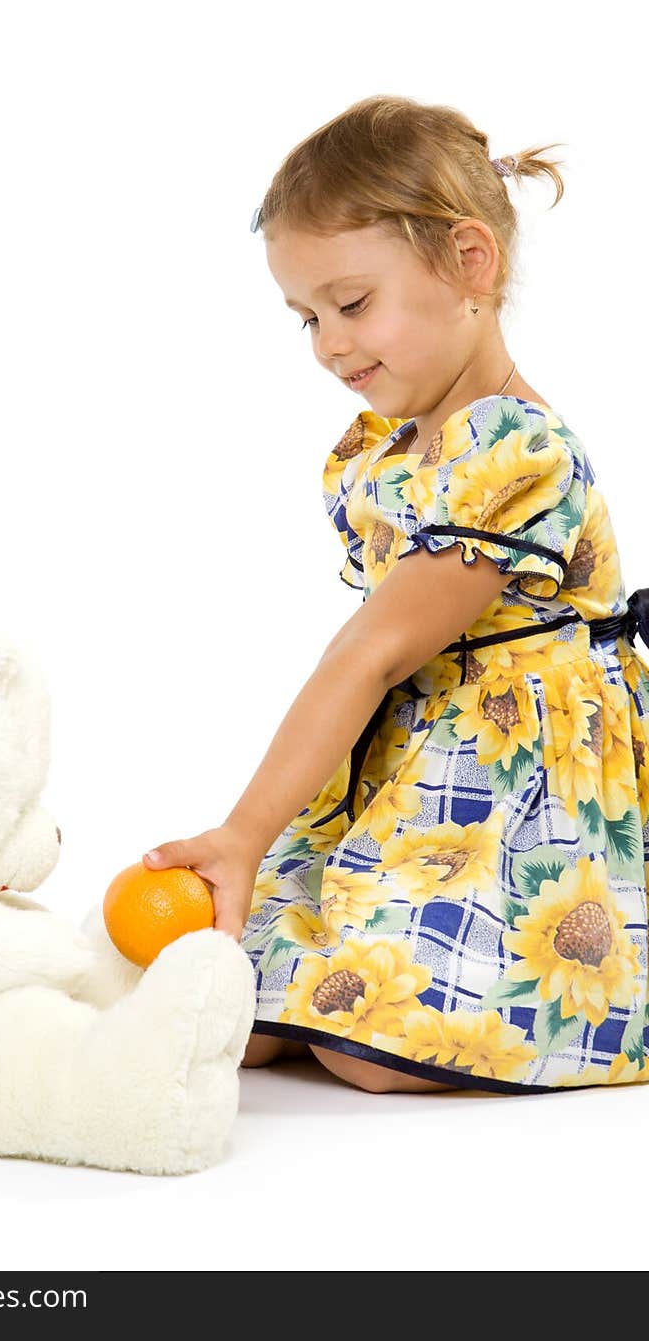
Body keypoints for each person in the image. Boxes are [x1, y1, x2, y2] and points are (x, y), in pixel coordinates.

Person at [142, 94, 649, 1095]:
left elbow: (371, 651)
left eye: (351, 302)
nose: (329, 343)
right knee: (233, 1007)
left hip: (516, 793)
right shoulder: (393, 448)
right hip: (416, 766)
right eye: (308, 317)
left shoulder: (517, 452)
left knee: (362, 1052)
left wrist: (244, 830)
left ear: (470, 262)